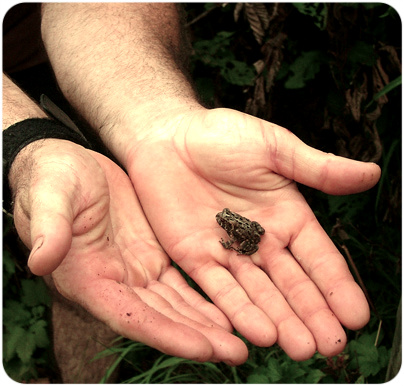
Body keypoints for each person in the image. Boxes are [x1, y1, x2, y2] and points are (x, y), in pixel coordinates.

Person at [3, 2, 381, 375]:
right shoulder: (228, 223)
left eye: (225, 219)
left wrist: (157, 122)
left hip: (67, 58)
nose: (223, 219)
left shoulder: (231, 224)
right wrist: (24, 145)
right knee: (80, 265)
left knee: (103, 263)